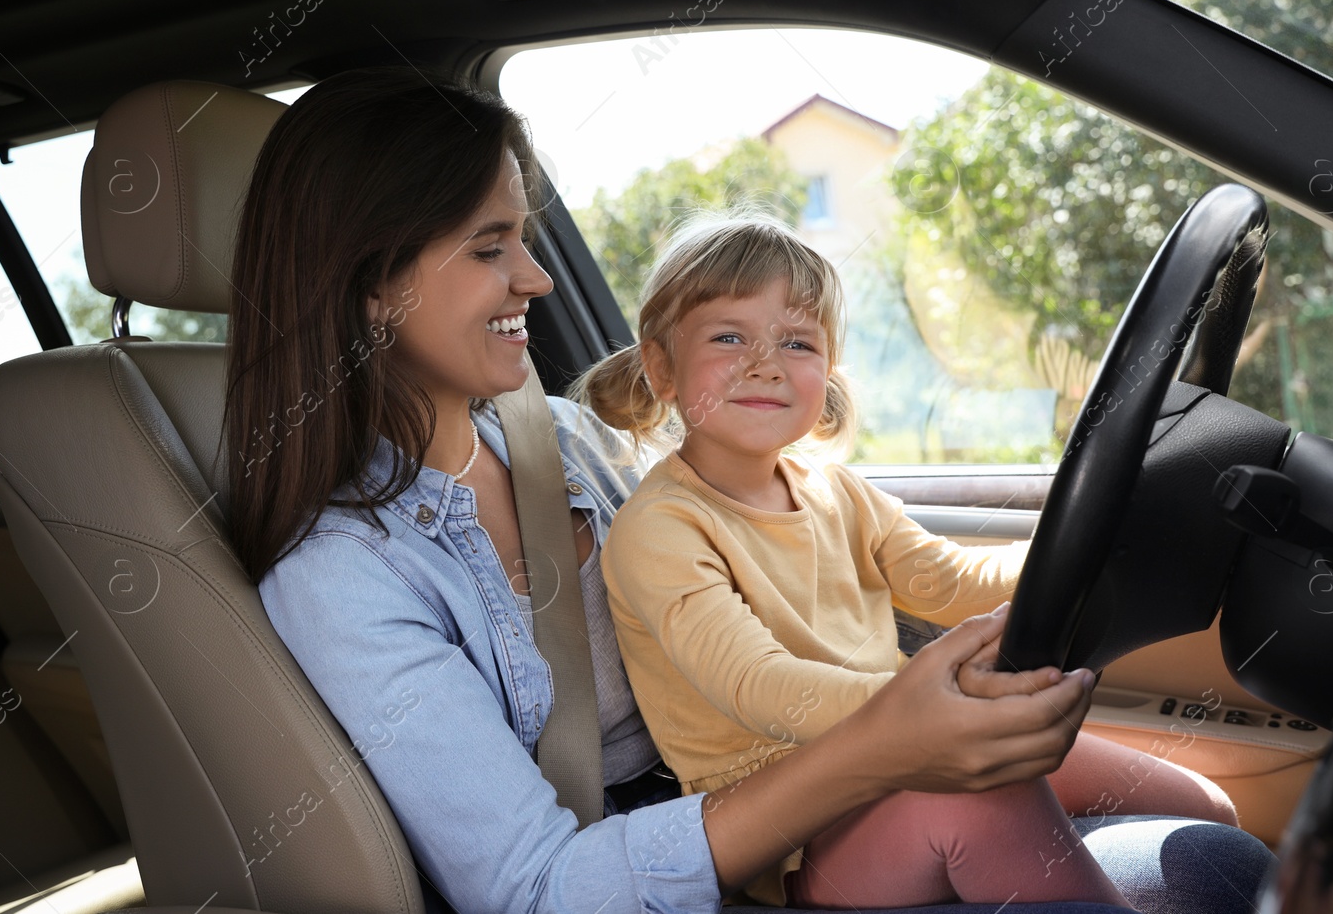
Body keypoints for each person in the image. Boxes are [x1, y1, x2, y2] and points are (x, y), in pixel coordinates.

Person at [224, 64, 1275, 914]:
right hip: (694, 846)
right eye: (490, 246)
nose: (536, 281)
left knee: (1209, 820)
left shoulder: (575, 440)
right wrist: (886, 738)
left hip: (817, 780)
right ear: (371, 282)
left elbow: (898, 572)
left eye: (528, 241)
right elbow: (542, 886)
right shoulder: (343, 573)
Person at [574, 211, 1243, 908]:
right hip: (801, 832)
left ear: (827, 370)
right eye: (729, 336)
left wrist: (1081, 545)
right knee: (984, 787)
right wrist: (926, 715)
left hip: (910, 752)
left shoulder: (836, 491)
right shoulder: (662, 527)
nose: (764, 361)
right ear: (661, 365)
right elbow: (763, 688)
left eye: (797, 340)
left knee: (1204, 805)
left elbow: (951, 580)